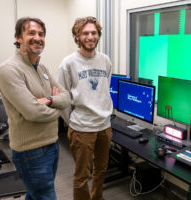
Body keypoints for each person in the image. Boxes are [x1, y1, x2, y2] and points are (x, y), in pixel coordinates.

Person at [0, 17, 70, 200]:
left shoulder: (42, 67)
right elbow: (33, 111)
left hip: (52, 144)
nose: (37, 37)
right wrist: (57, 106)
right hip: (31, 151)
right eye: (31, 33)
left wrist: (48, 100)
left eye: (41, 34)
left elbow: (67, 97)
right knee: (45, 196)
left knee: (35, 194)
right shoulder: (9, 69)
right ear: (18, 37)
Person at [57, 16, 113, 200]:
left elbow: (104, 91)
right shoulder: (68, 63)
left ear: (98, 35)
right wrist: (73, 122)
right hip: (82, 128)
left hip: (104, 126)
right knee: (82, 176)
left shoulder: (105, 60)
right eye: (85, 33)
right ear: (77, 36)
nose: (90, 36)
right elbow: (62, 99)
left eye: (94, 33)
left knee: (101, 170)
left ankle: (97, 197)